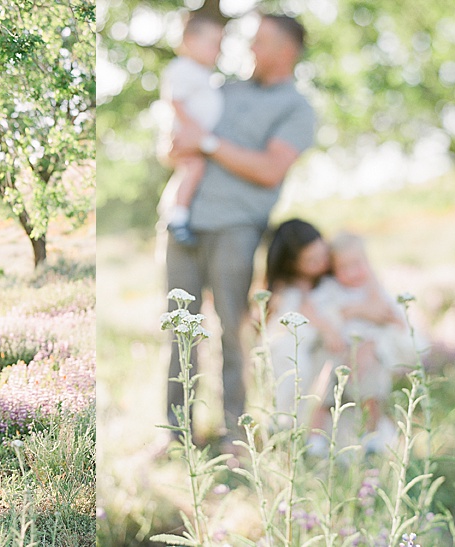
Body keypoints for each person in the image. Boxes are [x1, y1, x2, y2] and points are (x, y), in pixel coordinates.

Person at [162, 13, 315, 449]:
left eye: (260, 42)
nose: (249, 49)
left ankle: (235, 434)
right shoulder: (222, 87)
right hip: (182, 221)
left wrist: (207, 143)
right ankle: (175, 435)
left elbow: (269, 170)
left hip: (236, 227)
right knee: (179, 330)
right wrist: (175, 145)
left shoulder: (297, 108)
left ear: (286, 52)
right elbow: (176, 139)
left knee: (232, 329)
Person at [311, 231, 414, 452]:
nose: (352, 272)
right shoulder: (331, 289)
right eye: (343, 267)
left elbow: (395, 321)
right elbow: (321, 314)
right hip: (336, 350)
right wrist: (355, 311)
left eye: (357, 264)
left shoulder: (374, 290)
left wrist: (367, 313)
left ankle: (371, 435)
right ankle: (314, 439)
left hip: (367, 353)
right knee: (323, 391)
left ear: (367, 262)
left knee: (372, 391)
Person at [264, 219, 340, 433]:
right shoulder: (285, 293)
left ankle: (308, 429)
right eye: (312, 260)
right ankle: (282, 426)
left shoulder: (329, 283)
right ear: (291, 264)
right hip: (295, 356)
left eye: (323, 255)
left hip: (325, 353)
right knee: (294, 365)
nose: (323, 263)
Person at [160, 13, 225, 246]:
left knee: (191, 170)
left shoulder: (203, 73)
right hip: (186, 134)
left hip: (195, 135)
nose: (217, 51)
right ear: (189, 41)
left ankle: (176, 212)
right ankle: (177, 217)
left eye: (219, 45)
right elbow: (175, 101)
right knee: (193, 168)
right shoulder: (182, 69)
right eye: (212, 44)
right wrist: (194, 131)